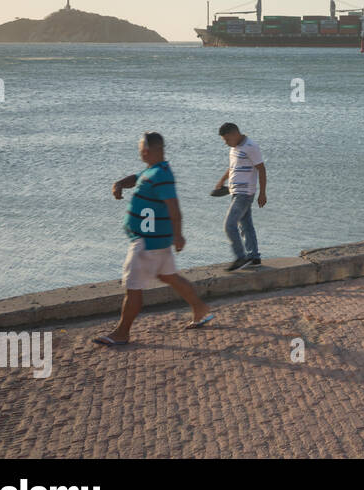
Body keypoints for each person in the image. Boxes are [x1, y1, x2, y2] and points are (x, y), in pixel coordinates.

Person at [95, 132, 214, 345]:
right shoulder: (154, 171)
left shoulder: (160, 175)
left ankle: (122, 333)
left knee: (133, 288)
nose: (140, 151)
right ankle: (200, 308)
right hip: (158, 241)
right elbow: (137, 178)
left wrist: (179, 235)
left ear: (148, 150)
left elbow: (174, 207)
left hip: (146, 243)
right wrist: (120, 183)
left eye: (141, 148)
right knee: (170, 277)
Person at [216, 123, 267, 271]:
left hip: (244, 194)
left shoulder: (251, 146)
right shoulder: (234, 148)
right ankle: (254, 257)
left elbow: (261, 169)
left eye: (226, 139)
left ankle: (240, 257)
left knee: (229, 225)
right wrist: (221, 181)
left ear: (234, 134)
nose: (226, 143)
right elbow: (232, 167)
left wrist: (262, 193)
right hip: (235, 192)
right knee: (245, 225)